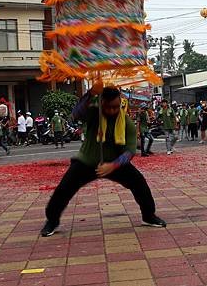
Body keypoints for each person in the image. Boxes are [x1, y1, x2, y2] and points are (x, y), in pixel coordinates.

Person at [40, 84, 166, 237]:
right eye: (108, 107)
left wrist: (113, 165)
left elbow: (130, 151)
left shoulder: (127, 123)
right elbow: (76, 114)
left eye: (115, 107)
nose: (112, 110)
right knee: (63, 190)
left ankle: (148, 216)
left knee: (139, 183)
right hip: (86, 161)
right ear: (101, 103)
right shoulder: (94, 113)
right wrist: (90, 93)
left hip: (116, 163)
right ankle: (52, 221)